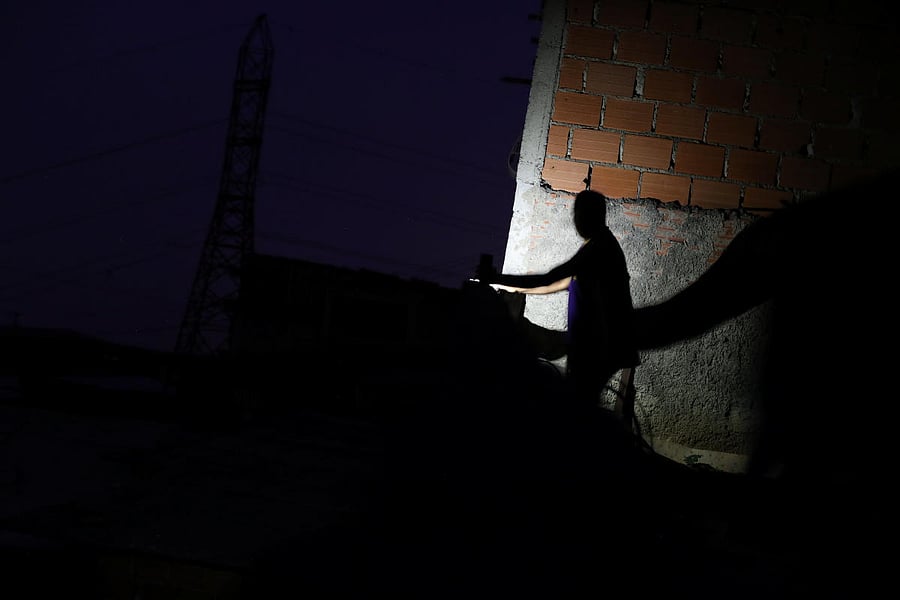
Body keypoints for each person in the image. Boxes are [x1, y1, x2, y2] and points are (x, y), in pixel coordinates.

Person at [479, 189, 639, 407]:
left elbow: (550, 279)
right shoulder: (596, 245)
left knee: (576, 406)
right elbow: (558, 284)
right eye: (576, 214)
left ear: (595, 216)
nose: (576, 220)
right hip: (596, 344)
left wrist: (497, 278)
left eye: (580, 214)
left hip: (600, 346)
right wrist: (512, 287)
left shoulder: (599, 248)